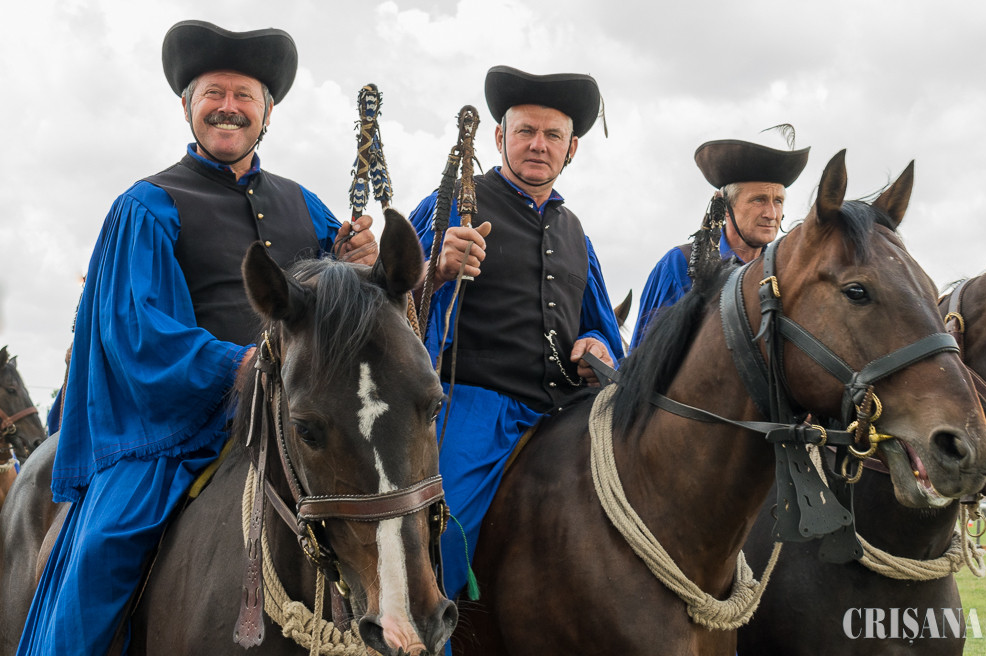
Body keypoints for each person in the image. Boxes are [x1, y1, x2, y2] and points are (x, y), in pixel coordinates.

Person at [17, 20, 376, 655]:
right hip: (177, 431)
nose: (228, 107)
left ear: (268, 113)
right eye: (214, 93)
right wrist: (242, 366)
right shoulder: (147, 206)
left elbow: (341, 321)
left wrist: (357, 265)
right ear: (187, 106)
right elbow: (139, 332)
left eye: (245, 95)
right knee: (105, 553)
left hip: (296, 420)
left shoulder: (308, 207)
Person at [408, 65, 624, 600]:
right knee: (438, 535)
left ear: (572, 148)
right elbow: (388, 300)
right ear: (500, 137)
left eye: (553, 135)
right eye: (525, 131)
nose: (538, 145)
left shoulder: (577, 235)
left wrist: (597, 343)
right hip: (474, 405)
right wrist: (435, 271)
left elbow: (598, 324)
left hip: (567, 412)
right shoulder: (451, 206)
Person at [631, 137, 809, 348]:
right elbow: (643, 358)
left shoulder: (785, 273)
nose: (771, 214)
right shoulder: (680, 264)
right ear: (725, 207)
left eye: (778, 201)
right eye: (758, 200)